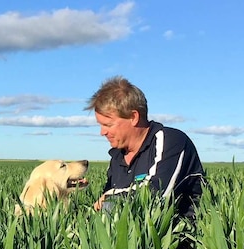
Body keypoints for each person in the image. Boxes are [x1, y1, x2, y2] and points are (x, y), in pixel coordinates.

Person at [87, 76, 205, 220]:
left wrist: (111, 196)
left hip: (180, 236)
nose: (102, 132)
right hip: (132, 237)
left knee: (111, 205)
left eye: (108, 125)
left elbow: (156, 193)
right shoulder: (117, 156)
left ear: (133, 117)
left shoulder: (171, 140)